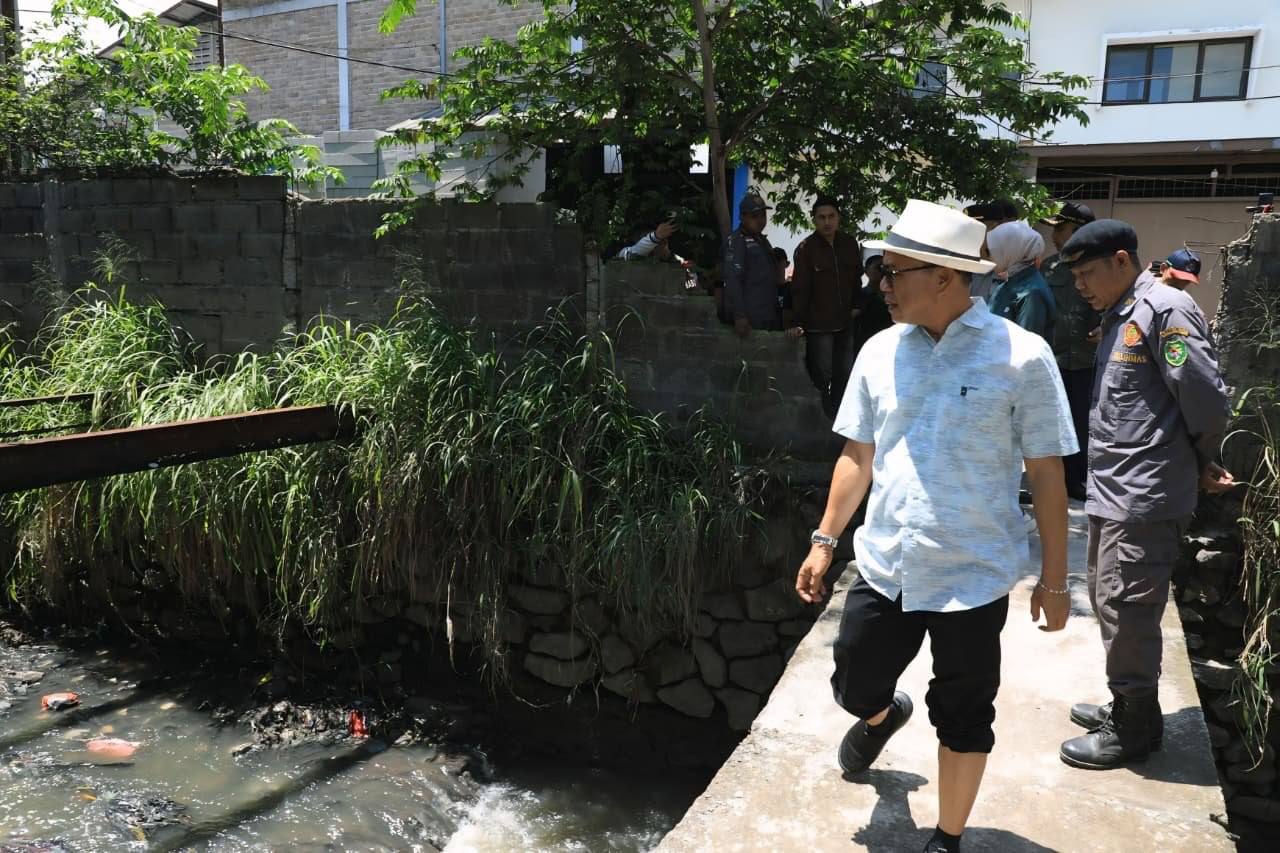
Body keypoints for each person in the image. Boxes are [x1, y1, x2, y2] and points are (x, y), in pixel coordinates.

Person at [795, 200, 1077, 853]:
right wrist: (825, 538)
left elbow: (1048, 476)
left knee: (965, 711)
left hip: (973, 573)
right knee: (851, 675)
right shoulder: (878, 351)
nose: (882, 284)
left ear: (946, 277)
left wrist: (1054, 580)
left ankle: (947, 838)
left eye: (895, 272)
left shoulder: (1022, 358)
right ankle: (881, 713)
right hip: (888, 560)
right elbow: (857, 455)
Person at [1055, 220, 1234, 770]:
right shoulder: (1123, 312)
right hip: (1115, 485)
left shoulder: (1165, 311)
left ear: (1122, 261)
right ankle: (1131, 705)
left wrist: (1202, 458)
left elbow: (1204, 397)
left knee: (1129, 605)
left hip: (1146, 490)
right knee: (1111, 598)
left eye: (1087, 273)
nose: (1081, 285)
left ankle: (1133, 726)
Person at [1041, 202, 1101, 502]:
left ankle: (1076, 479)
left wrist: (1106, 327)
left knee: (1080, 423)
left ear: (1078, 231)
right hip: (1052, 358)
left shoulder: (1100, 264)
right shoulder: (1049, 266)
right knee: (1051, 422)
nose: (1054, 234)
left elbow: (1119, 302)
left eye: (1060, 228)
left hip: (1085, 359)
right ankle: (1054, 479)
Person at [790, 196, 864, 418]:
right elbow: (799, 289)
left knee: (845, 373)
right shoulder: (806, 249)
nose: (827, 222)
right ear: (814, 220)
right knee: (822, 376)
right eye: (821, 217)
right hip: (818, 324)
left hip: (845, 321)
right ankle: (821, 420)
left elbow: (856, 280)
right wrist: (796, 322)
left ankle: (840, 420)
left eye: (831, 216)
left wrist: (857, 306)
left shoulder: (849, 244)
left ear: (839, 218)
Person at [985, 221, 1055, 343]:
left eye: (991, 251)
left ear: (1010, 251)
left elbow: (1026, 348)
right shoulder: (1011, 282)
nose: (989, 257)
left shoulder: (1032, 294)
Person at [724, 193, 783, 336]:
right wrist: (740, 316)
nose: (760, 220)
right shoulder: (737, 241)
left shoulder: (761, 240)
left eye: (763, 215)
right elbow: (733, 279)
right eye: (754, 216)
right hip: (750, 319)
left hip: (767, 315)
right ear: (743, 217)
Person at [964, 200, 1019, 302]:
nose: (967, 234)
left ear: (994, 229)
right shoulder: (963, 266)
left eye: (973, 229)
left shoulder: (1012, 270)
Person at [852, 254, 893, 351]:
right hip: (865, 344)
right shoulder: (861, 295)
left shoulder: (894, 297)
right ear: (866, 271)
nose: (882, 272)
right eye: (878, 268)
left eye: (885, 268)